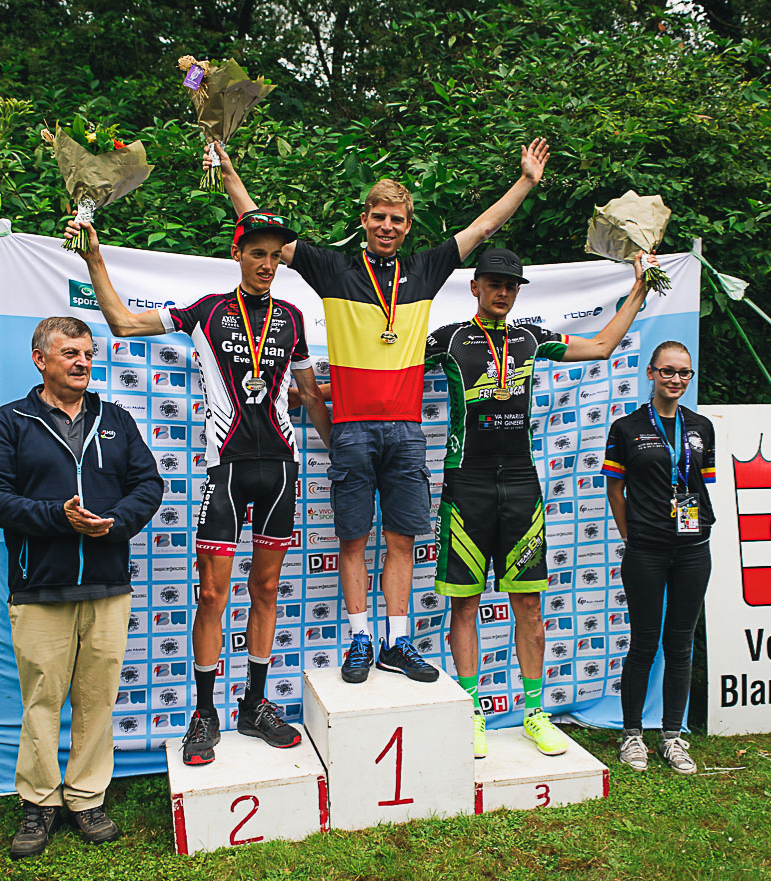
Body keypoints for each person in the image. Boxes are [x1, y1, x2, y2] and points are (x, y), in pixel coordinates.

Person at [207, 137, 549, 685]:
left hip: (407, 430)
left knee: (402, 539)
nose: (387, 226)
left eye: (397, 219)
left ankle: (396, 639)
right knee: (353, 539)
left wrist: (527, 181)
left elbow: (482, 228)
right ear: (364, 220)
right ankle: (360, 638)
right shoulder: (333, 268)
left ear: (408, 226)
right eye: (378, 217)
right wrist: (227, 170)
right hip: (353, 428)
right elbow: (257, 226)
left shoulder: (427, 267)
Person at [70, 211, 324, 767]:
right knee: (212, 595)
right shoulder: (207, 311)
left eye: (275, 253)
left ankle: (255, 704)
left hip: (282, 469)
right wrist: (93, 256)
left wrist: (341, 453)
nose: (267, 263)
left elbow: (307, 392)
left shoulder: (293, 317)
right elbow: (121, 323)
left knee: (267, 590)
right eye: (256, 252)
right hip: (227, 468)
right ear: (238, 254)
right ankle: (204, 713)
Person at [425, 247, 657, 759]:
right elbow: (387, 370)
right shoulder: (447, 339)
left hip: (522, 487)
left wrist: (639, 291)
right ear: (475, 287)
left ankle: (535, 713)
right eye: (493, 283)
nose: (502, 292)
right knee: (464, 602)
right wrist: (312, 388)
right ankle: (471, 712)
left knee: (528, 604)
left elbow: (599, 347)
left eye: (510, 285)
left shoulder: (531, 338)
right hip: (466, 485)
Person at [0, 316, 165, 859]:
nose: (82, 361)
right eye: (70, 353)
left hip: (107, 583)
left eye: (87, 352)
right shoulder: (10, 422)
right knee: (41, 699)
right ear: (41, 359)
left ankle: (86, 798)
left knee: (97, 699)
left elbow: (148, 483)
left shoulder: (116, 419)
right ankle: (38, 804)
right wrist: (58, 517)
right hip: (40, 586)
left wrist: (117, 520)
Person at [603, 340, 715, 775]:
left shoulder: (701, 427)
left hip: (693, 548)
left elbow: (701, 484)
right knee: (645, 642)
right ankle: (632, 735)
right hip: (646, 550)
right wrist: (631, 535)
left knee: (681, 643)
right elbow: (616, 489)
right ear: (651, 374)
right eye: (667, 371)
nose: (675, 379)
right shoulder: (627, 427)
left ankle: (671, 736)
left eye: (683, 373)